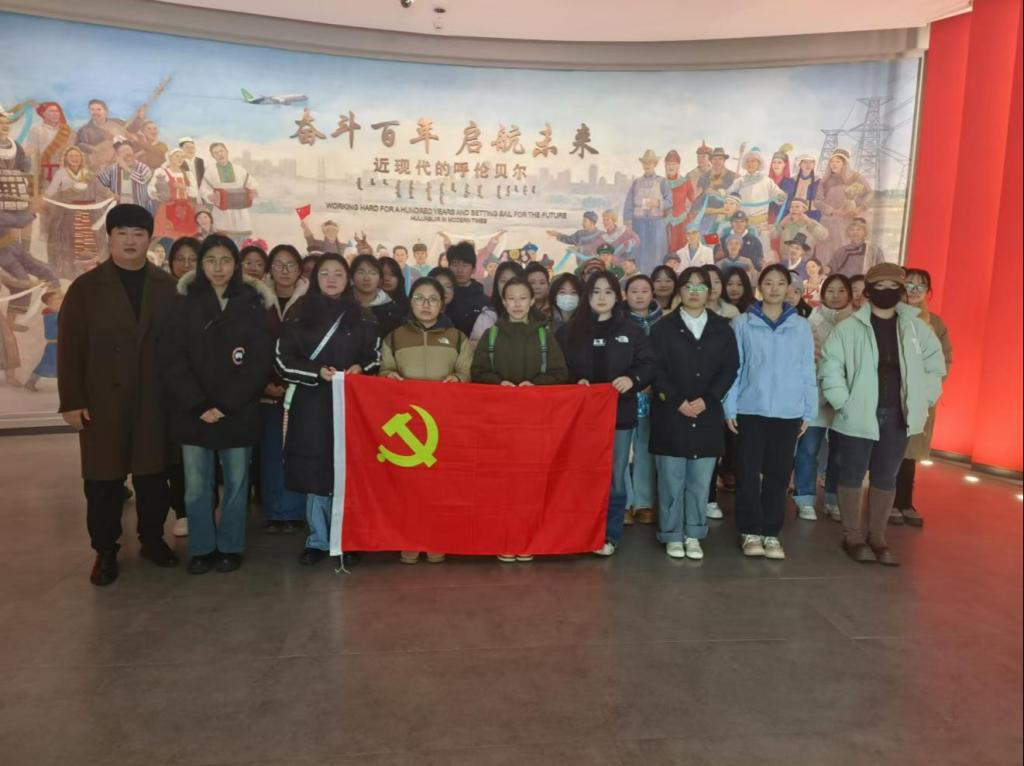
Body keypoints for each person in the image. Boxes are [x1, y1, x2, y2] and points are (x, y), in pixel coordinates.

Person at [57, 204, 179, 586]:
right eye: (122, 233)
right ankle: (105, 550)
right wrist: (72, 400)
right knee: (103, 481)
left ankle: (152, 539)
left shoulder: (167, 287)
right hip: (102, 401)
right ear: (109, 237)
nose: (130, 241)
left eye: (138, 234)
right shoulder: (86, 288)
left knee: (153, 476)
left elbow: (179, 347)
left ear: (149, 239)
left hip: (154, 399)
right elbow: (70, 348)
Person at [161, 234, 274, 574]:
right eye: (210, 260)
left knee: (237, 484)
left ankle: (230, 546)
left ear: (236, 265)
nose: (218, 268)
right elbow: (173, 359)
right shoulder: (183, 304)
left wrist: (226, 404)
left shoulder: (252, 304)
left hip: (237, 410)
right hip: (193, 412)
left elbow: (259, 362)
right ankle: (202, 547)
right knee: (196, 487)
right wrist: (199, 404)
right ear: (201, 265)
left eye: (225, 260)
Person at [820, 263, 945, 565]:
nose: (886, 292)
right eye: (880, 287)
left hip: (898, 414)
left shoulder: (916, 328)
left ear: (901, 292)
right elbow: (831, 365)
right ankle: (852, 535)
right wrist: (842, 402)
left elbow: (934, 366)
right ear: (868, 292)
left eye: (893, 287)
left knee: (887, 475)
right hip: (857, 411)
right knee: (852, 473)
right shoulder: (848, 328)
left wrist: (924, 398)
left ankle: (878, 536)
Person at [276, 253, 381, 566]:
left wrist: (361, 368)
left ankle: (347, 537)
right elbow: (282, 360)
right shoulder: (298, 313)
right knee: (315, 469)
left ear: (347, 279)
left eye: (338, 273)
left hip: (351, 403)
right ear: (315, 278)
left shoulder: (363, 316)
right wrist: (316, 372)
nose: (331, 279)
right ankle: (318, 539)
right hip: (311, 403)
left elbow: (375, 357)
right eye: (325, 273)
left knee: (349, 469)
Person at [471, 277, 569, 562]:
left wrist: (535, 385)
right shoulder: (491, 335)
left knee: (531, 484)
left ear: (532, 301)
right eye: (511, 298)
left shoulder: (544, 335)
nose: (517, 304)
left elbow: (560, 374)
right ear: (503, 302)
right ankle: (503, 538)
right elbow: (477, 373)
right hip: (497, 425)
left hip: (535, 424)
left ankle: (527, 539)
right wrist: (497, 383)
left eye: (522, 298)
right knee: (499, 484)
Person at [558, 270, 655, 556]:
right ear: (587, 296)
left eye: (608, 292)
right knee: (580, 474)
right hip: (579, 417)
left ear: (617, 296)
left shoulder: (631, 330)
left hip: (619, 416)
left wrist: (632, 379)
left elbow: (649, 364)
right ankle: (579, 531)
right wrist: (574, 382)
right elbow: (557, 368)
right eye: (596, 292)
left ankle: (609, 534)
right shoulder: (568, 332)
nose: (602, 297)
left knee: (614, 475)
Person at [724, 265, 817, 560]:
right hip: (750, 407)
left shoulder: (800, 325)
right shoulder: (743, 322)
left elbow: (807, 368)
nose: (774, 288)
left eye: (780, 283)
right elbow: (735, 367)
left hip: (788, 411)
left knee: (779, 474)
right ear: (759, 286)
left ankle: (771, 532)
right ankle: (750, 530)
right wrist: (730, 405)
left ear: (789, 288)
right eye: (768, 283)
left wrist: (808, 409)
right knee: (748, 472)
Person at [381, 276, 473, 564]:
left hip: (444, 423)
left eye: (433, 299)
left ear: (442, 303)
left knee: (439, 485)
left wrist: (458, 379)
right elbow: (384, 370)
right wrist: (388, 376)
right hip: (407, 424)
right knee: (408, 486)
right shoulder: (394, 336)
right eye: (419, 298)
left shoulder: (457, 337)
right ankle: (409, 540)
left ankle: (436, 539)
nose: (426, 304)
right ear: (410, 302)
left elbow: (466, 373)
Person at [650, 267, 740, 559]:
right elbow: (655, 368)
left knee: (700, 482)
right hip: (671, 414)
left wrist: (709, 399)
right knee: (671, 480)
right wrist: (677, 401)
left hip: (707, 414)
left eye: (701, 287)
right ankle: (672, 534)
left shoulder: (722, 328)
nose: (694, 292)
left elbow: (730, 368)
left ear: (710, 292)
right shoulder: (663, 328)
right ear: (680, 290)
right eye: (688, 286)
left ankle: (693, 533)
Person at [892, 268, 953, 527]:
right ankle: (887, 501)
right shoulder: (890, 316)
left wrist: (927, 389)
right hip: (892, 394)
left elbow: (944, 360)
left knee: (910, 452)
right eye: (910, 284)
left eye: (921, 285)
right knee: (890, 450)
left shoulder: (935, 323)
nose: (915, 290)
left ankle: (905, 501)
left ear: (928, 292)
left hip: (920, 397)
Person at [793, 274, 854, 521]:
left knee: (840, 454)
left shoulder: (858, 323)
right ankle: (805, 497)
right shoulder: (811, 321)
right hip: (816, 396)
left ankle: (832, 499)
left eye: (841, 290)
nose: (836, 295)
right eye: (831, 290)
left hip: (847, 397)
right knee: (808, 450)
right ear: (822, 293)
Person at [260, 244, 309, 534]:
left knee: (297, 450)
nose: (285, 270)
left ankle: (295, 511)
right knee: (271, 452)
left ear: (300, 269)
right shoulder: (257, 299)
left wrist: (295, 379)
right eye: (279, 264)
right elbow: (251, 345)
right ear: (270, 269)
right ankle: (273, 511)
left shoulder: (311, 300)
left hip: (300, 388)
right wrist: (263, 383)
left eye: (291, 264)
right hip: (265, 389)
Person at [623, 274, 663, 525]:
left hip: (654, 394)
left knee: (646, 448)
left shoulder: (664, 323)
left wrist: (654, 383)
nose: (639, 296)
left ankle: (644, 502)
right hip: (625, 392)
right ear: (625, 295)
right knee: (622, 449)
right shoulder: (618, 322)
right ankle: (625, 502)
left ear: (652, 294)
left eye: (644, 291)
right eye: (633, 291)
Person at [44, 145, 108, 278]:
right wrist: (44, 199)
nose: (74, 158)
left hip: (88, 213)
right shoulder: (61, 173)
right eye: (71, 156)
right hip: (68, 213)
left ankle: (89, 270)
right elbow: (51, 191)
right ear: (66, 159)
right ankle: (71, 271)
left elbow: (99, 188)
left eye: (77, 156)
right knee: (70, 241)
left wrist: (110, 194)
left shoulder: (87, 173)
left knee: (89, 240)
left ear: (81, 158)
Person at [623, 150, 672, 274]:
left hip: (657, 224)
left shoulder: (662, 182)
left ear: (655, 164)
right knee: (639, 253)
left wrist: (658, 203)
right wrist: (628, 224)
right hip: (639, 224)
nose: (647, 165)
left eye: (650, 162)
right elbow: (628, 205)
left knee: (657, 254)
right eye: (645, 162)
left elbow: (670, 202)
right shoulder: (636, 183)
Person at [815, 148, 872, 252]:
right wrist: (833, 211)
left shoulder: (855, 177)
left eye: (838, 161)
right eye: (832, 161)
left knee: (846, 246)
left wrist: (859, 209)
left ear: (844, 163)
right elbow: (818, 201)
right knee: (827, 249)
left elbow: (869, 193)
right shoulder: (825, 180)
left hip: (848, 218)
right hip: (829, 220)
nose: (834, 164)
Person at [202, 142, 258, 243]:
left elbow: (252, 183)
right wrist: (210, 196)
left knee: (243, 242)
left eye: (221, 151)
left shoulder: (239, 169)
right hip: (221, 214)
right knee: (222, 242)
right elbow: (204, 190)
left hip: (240, 213)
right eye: (216, 153)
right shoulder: (210, 171)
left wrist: (253, 191)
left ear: (227, 152)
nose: (220, 154)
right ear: (213, 156)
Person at [469, 261, 527, 343]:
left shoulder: (533, 316)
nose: (507, 285)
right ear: (496, 284)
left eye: (513, 281)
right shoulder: (488, 316)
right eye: (503, 281)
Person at [350, 254, 404, 337]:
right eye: (361, 272)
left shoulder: (391, 309)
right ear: (351, 276)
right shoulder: (341, 304)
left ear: (380, 279)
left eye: (373, 273)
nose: (367, 278)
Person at [445, 241, 489, 337]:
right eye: (455, 265)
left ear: (473, 269)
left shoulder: (484, 301)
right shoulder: (443, 297)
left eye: (465, 265)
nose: (460, 270)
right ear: (449, 267)